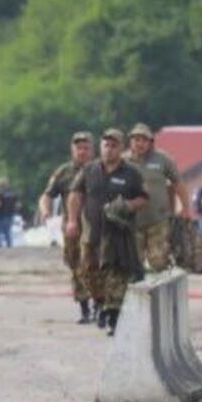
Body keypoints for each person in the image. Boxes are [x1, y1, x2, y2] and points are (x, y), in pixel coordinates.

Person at [66, 129, 148, 335]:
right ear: (101, 147)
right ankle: (101, 304)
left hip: (118, 234)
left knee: (116, 275)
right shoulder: (89, 170)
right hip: (91, 233)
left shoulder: (131, 173)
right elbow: (75, 195)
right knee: (88, 272)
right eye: (106, 145)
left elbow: (143, 198)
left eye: (114, 146)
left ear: (121, 149)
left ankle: (114, 317)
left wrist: (128, 206)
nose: (109, 149)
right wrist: (73, 221)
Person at [38, 131, 97, 323]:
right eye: (78, 148)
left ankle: (100, 305)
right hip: (73, 228)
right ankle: (84, 309)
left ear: (93, 150)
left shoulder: (101, 169)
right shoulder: (64, 172)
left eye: (86, 148)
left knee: (97, 266)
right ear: (73, 150)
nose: (82, 151)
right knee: (76, 266)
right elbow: (47, 195)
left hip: (98, 227)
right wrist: (46, 212)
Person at [125, 124, 187, 272]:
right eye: (136, 139)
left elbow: (178, 183)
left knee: (159, 262)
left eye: (144, 140)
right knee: (133, 264)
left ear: (151, 142)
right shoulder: (123, 161)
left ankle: (161, 289)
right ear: (130, 141)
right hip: (131, 221)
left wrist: (186, 207)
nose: (140, 143)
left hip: (158, 220)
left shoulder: (162, 160)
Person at [0, 179, 21, 249]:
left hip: (0, 216)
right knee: (7, 232)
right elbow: (18, 205)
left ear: (0, 185)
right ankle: (9, 246)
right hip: (10, 215)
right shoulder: (13, 194)